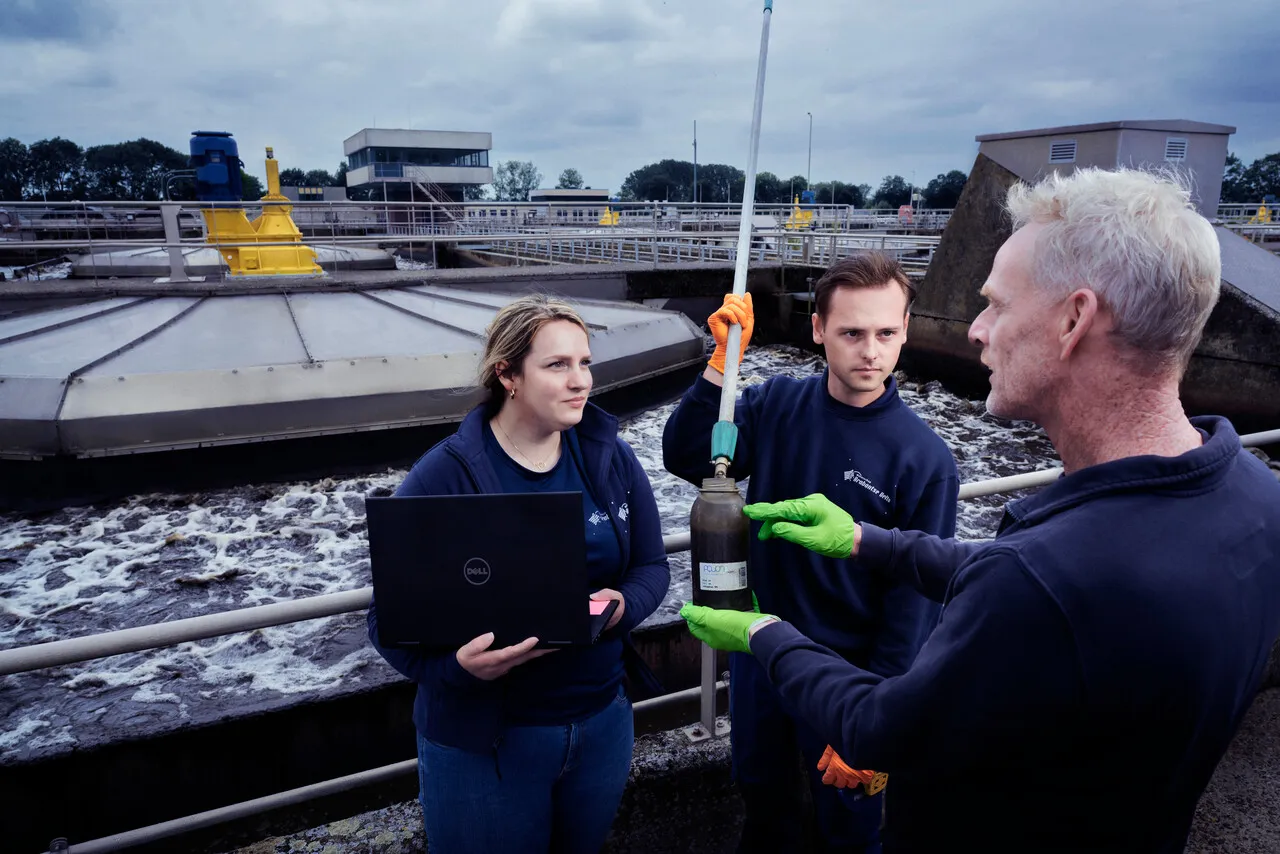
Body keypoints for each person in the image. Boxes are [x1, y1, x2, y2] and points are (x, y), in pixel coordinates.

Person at [681, 167, 1280, 853]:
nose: (975, 330)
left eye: (996, 303)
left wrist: (763, 633)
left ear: (1074, 319)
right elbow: (1016, 574)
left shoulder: (1038, 580)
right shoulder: (1258, 499)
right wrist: (864, 541)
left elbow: (883, 726)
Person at [663, 253, 959, 853]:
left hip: (851, 678)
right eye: (851, 333)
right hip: (761, 654)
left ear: (906, 330)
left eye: (886, 333)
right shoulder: (775, 406)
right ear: (819, 329)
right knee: (762, 800)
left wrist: (878, 716)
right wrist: (721, 366)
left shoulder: (926, 459)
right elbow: (688, 455)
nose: (870, 351)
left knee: (849, 828)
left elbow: (915, 604)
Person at [367, 294, 670, 854]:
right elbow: (387, 617)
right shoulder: (446, 474)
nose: (581, 381)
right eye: (557, 365)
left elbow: (652, 567)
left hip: (602, 722)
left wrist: (623, 604)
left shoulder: (607, 455)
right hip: (488, 743)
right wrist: (458, 668)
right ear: (507, 374)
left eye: (584, 362)